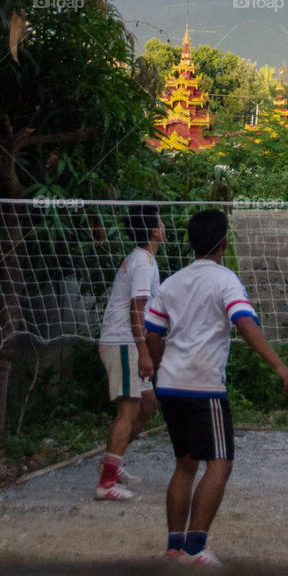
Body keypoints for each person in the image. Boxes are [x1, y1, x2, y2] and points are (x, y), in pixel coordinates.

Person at [144, 208, 288, 566]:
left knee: (184, 464)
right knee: (220, 464)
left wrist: (161, 368)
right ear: (225, 242)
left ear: (191, 243)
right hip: (203, 387)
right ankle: (195, 549)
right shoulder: (225, 279)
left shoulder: (172, 281)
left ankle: (173, 546)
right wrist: (279, 365)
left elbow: (153, 331)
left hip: (169, 384)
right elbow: (244, 322)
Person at [96, 203, 165, 500]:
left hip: (128, 342)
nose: (165, 226)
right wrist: (143, 349)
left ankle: (113, 459)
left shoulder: (145, 260)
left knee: (148, 404)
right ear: (153, 230)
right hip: (123, 342)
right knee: (129, 409)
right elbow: (136, 308)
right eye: (161, 222)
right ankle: (106, 484)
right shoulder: (142, 264)